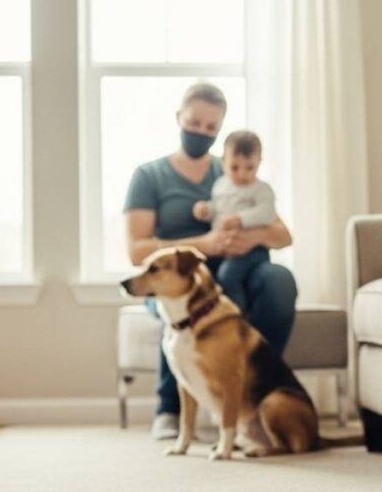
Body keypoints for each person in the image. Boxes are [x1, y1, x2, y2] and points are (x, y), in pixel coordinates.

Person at [123, 82, 298, 440]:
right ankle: (168, 408)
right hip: (178, 279)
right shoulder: (149, 176)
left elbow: (283, 235)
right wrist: (204, 244)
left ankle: (254, 397)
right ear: (178, 118)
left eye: (210, 128)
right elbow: (137, 250)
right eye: (194, 123)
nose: (201, 133)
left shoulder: (233, 171)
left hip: (236, 269)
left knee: (279, 280)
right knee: (182, 305)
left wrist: (253, 235)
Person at [192, 129, 276, 311]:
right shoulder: (221, 185)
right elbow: (218, 209)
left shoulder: (260, 190)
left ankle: (237, 316)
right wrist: (206, 210)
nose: (242, 174)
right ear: (224, 163)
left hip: (252, 251)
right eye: (235, 167)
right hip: (223, 250)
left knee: (228, 275)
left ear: (259, 163)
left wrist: (240, 219)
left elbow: (266, 213)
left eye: (250, 167)